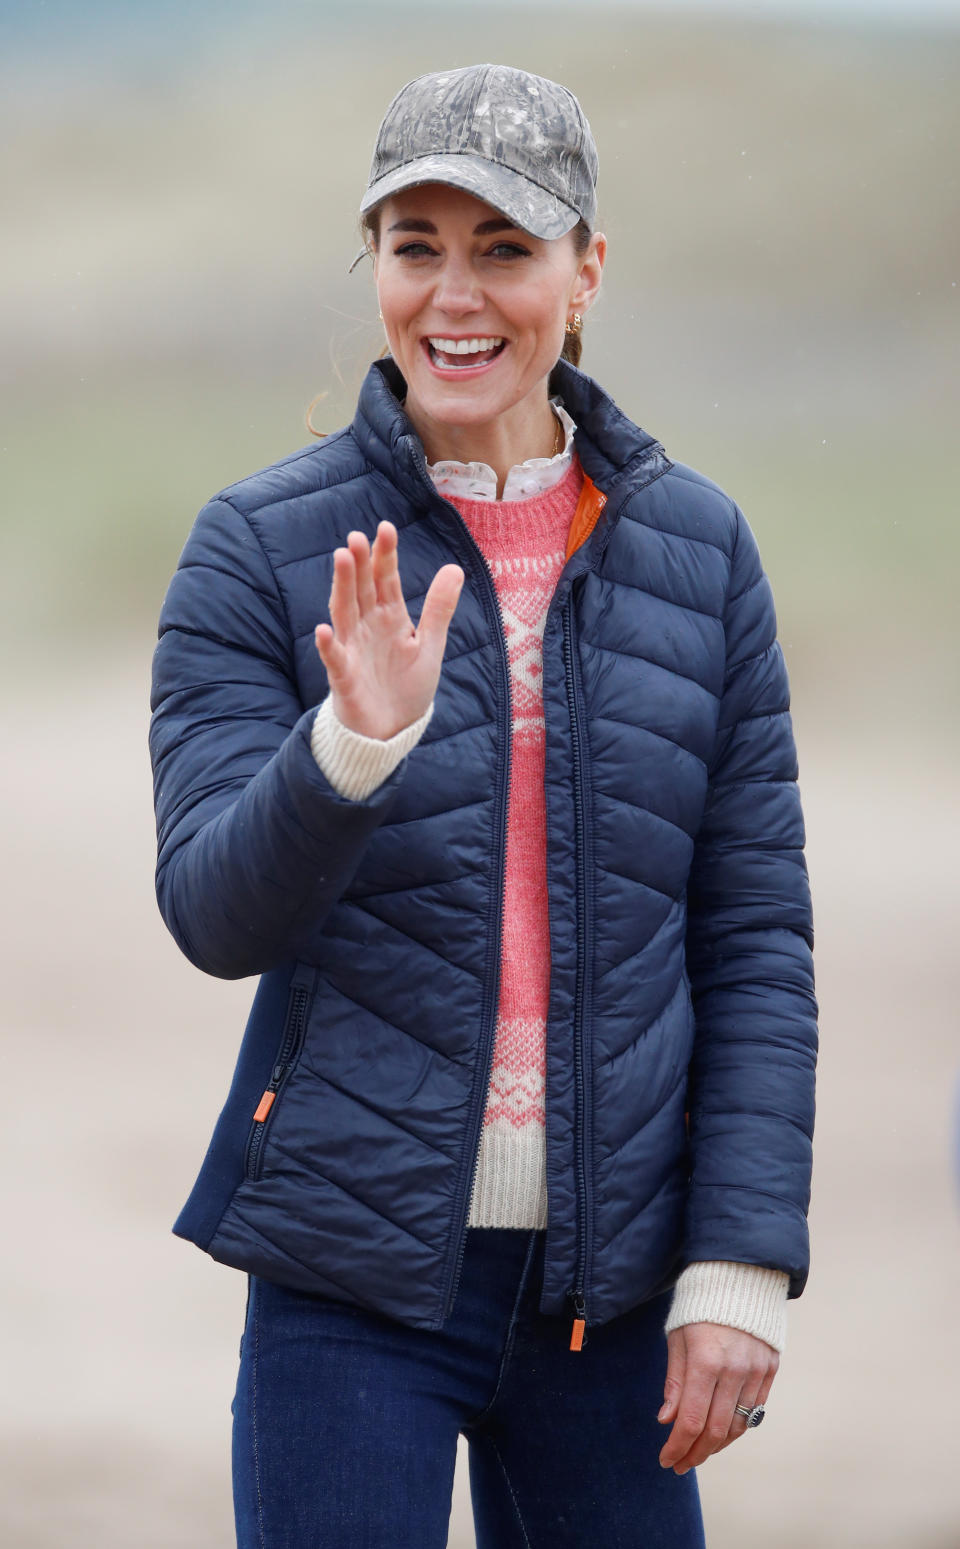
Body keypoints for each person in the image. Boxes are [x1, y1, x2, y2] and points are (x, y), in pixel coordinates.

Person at [150, 63, 818, 1548]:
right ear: (374, 267)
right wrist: (347, 748)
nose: (457, 295)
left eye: (505, 249)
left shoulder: (699, 551)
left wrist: (737, 1269)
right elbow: (209, 909)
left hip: (615, 1292)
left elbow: (756, 936)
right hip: (349, 1278)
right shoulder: (259, 548)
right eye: (417, 247)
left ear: (586, 272)